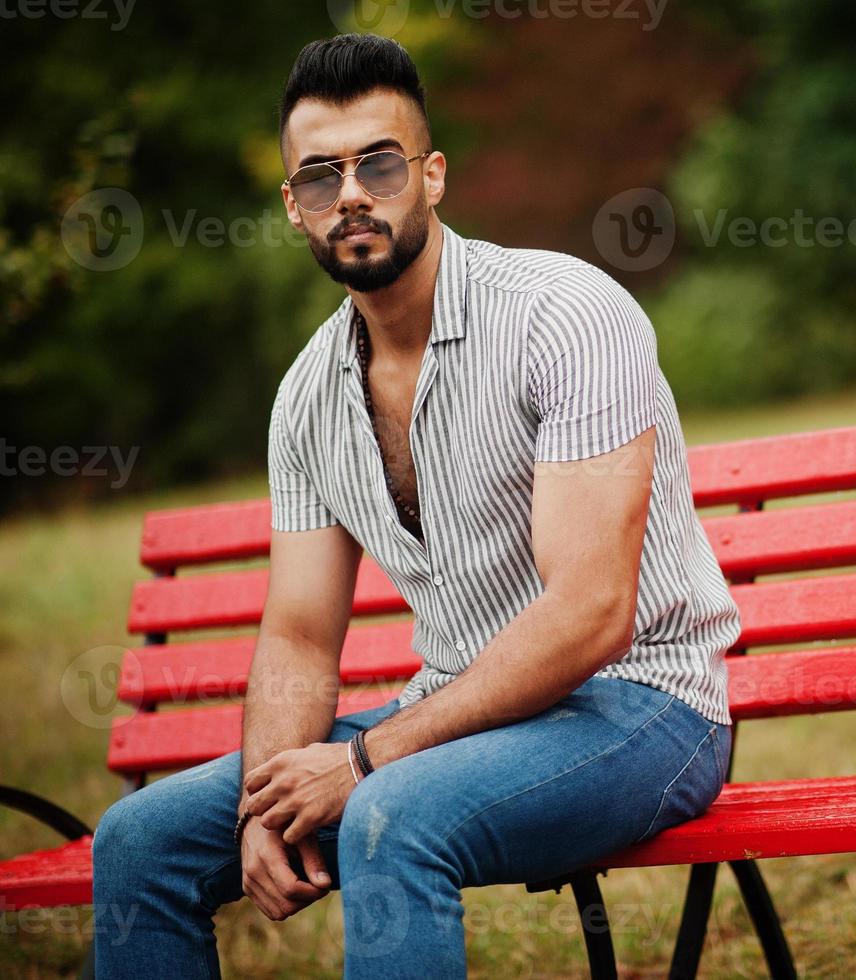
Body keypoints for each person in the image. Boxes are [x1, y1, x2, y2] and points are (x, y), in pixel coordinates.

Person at [91, 32, 740, 978]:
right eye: (319, 177)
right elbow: (302, 636)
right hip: (458, 719)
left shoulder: (565, 315)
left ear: (430, 176)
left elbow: (592, 614)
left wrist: (362, 764)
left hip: (644, 709)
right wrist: (260, 810)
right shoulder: (306, 397)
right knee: (139, 843)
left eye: (378, 164)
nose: (349, 192)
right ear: (294, 208)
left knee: (392, 818)